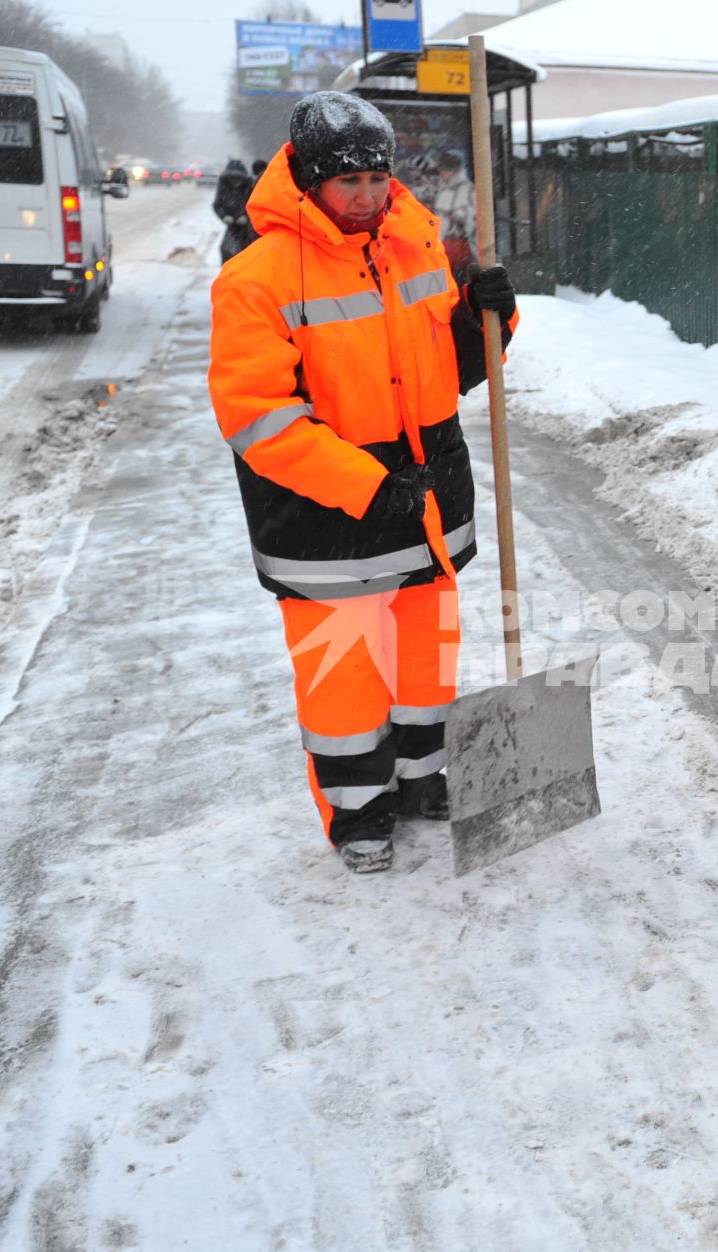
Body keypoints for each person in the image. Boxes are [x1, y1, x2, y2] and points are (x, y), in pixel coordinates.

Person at [208, 92, 518, 873]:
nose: (369, 197)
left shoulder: (414, 245)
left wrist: (488, 321)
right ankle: (359, 810)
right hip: (326, 522)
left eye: (378, 179)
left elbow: (452, 372)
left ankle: (420, 780)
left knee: (424, 658)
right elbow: (257, 417)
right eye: (350, 183)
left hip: (424, 502)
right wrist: (363, 484)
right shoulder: (258, 277)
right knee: (344, 672)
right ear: (307, 180)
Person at [431, 149, 477, 275]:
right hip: (444, 247)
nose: (441, 174)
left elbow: (472, 221)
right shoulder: (442, 189)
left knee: (459, 281)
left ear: (453, 171)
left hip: (459, 246)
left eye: (443, 170)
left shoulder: (467, 189)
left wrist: (459, 217)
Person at [212, 157, 257, 263]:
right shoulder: (224, 186)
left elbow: (255, 205)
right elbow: (217, 205)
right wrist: (225, 216)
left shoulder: (249, 186)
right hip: (232, 227)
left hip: (249, 230)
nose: (236, 182)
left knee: (248, 254)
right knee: (227, 251)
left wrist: (246, 217)